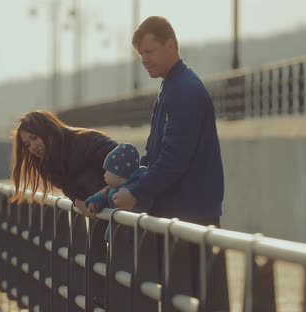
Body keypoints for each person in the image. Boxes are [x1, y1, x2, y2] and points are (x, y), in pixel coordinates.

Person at [111, 16, 225, 297]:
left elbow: (174, 160)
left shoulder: (184, 90)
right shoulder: (171, 86)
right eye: (141, 55)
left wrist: (135, 193)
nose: (145, 60)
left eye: (149, 52)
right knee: (178, 298)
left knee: (188, 298)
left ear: (171, 46)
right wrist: (123, 185)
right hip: (178, 215)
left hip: (190, 217)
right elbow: (155, 154)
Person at [9, 110, 118, 219]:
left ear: (48, 130)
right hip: (104, 217)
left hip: (125, 211)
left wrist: (103, 194)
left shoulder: (85, 141)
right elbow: (71, 191)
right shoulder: (49, 165)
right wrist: (78, 202)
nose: (33, 147)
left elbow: (128, 166)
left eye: (34, 138)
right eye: (28, 145)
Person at [84, 143, 151, 240]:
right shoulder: (113, 188)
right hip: (116, 235)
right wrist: (93, 202)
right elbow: (103, 194)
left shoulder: (136, 188)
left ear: (119, 173)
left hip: (133, 237)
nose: (104, 175)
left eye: (107, 171)